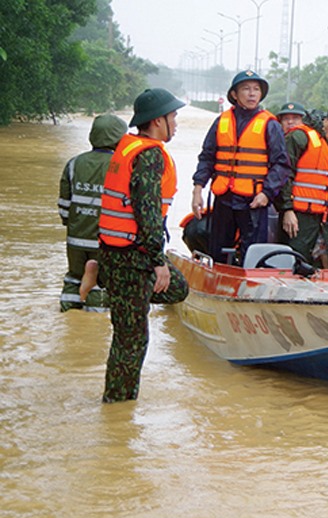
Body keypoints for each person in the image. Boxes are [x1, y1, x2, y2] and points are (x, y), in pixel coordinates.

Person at [84, 88, 190, 403]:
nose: (176, 122)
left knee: (178, 288)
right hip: (134, 257)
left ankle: (101, 276)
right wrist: (158, 260)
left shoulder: (127, 146)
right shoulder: (149, 154)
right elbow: (146, 211)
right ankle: (117, 407)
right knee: (131, 340)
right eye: (173, 117)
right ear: (158, 121)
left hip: (115, 253)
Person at [191, 70, 291, 265]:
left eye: (256, 89)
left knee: (252, 253)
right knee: (217, 250)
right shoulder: (221, 121)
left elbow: (281, 164)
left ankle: (249, 285)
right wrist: (197, 189)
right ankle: (217, 284)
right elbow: (207, 157)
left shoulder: (270, 124)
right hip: (224, 198)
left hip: (254, 201)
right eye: (246, 89)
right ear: (234, 95)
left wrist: (266, 194)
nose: (252, 94)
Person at [277, 99, 328, 269]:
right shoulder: (299, 137)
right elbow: (284, 175)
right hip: (300, 217)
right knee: (298, 265)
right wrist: (287, 209)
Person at [58, 114, 127, 312]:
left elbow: (64, 204)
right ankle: (91, 326)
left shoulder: (74, 163)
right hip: (105, 239)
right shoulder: (121, 165)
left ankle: (68, 313)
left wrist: (73, 224)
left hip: (75, 238)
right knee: (101, 282)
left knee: (74, 276)